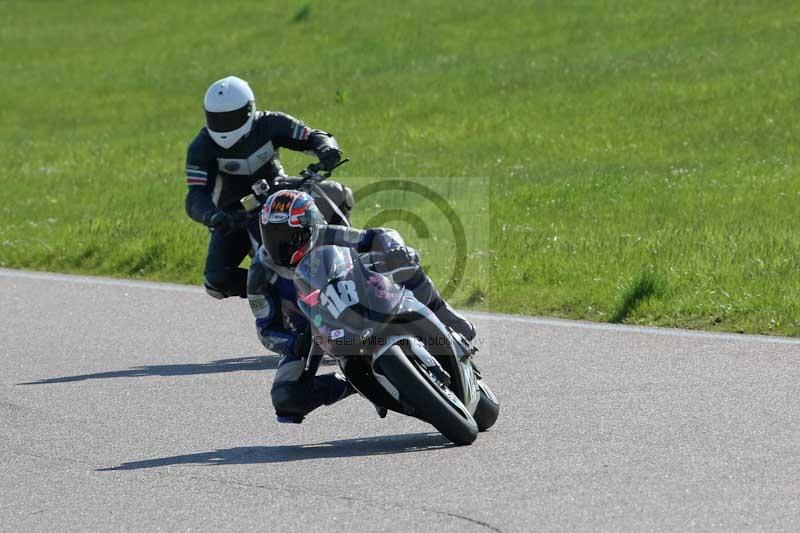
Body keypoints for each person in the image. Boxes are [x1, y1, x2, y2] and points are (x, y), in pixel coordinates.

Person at [247, 189, 476, 423]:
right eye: (272, 235)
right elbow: (266, 329)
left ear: (310, 228)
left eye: (289, 236)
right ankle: (355, 383)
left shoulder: (326, 234)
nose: (280, 245)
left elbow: (379, 235)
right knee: (286, 397)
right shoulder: (259, 274)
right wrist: (293, 342)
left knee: (403, 266)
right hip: (312, 330)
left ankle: (446, 317)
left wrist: (394, 248)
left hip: (358, 292)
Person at [185, 75, 348, 299]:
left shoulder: (271, 123)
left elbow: (312, 136)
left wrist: (327, 149)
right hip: (234, 216)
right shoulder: (201, 147)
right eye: (217, 119)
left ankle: (352, 260)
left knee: (338, 193)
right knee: (215, 282)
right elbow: (195, 196)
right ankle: (272, 295)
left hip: (280, 195)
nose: (223, 127)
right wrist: (214, 217)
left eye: (230, 118)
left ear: (248, 111)